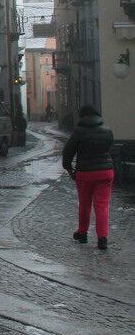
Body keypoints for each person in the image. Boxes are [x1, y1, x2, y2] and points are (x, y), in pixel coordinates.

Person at [62, 106, 115, 250]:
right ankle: (102, 238)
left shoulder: (79, 132)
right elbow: (110, 147)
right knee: (102, 205)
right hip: (105, 172)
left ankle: (82, 233)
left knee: (85, 204)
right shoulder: (107, 130)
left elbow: (68, 151)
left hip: (85, 173)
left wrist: (68, 167)